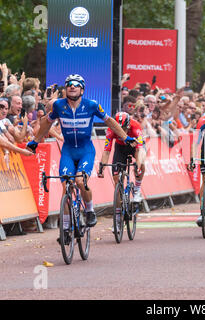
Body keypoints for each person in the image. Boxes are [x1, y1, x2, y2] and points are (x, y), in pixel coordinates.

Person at [26, 74, 136, 243]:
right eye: (69, 84)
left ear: (82, 89)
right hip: (68, 151)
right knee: (65, 187)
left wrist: (125, 137)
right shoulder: (58, 106)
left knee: (79, 181)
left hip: (85, 151)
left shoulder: (91, 105)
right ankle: (65, 228)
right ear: (66, 88)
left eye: (76, 85)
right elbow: (46, 123)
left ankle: (90, 210)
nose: (72, 87)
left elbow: (110, 122)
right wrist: (35, 141)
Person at [99, 112, 146, 202]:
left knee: (141, 163)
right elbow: (106, 151)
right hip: (120, 148)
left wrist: (138, 165)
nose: (122, 132)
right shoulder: (111, 129)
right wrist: (102, 168)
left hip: (134, 146)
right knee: (116, 180)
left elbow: (140, 150)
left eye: (124, 129)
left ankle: (137, 189)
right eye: (119, 129)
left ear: (128, 125)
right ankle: (118, 213)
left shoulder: (135, 126)